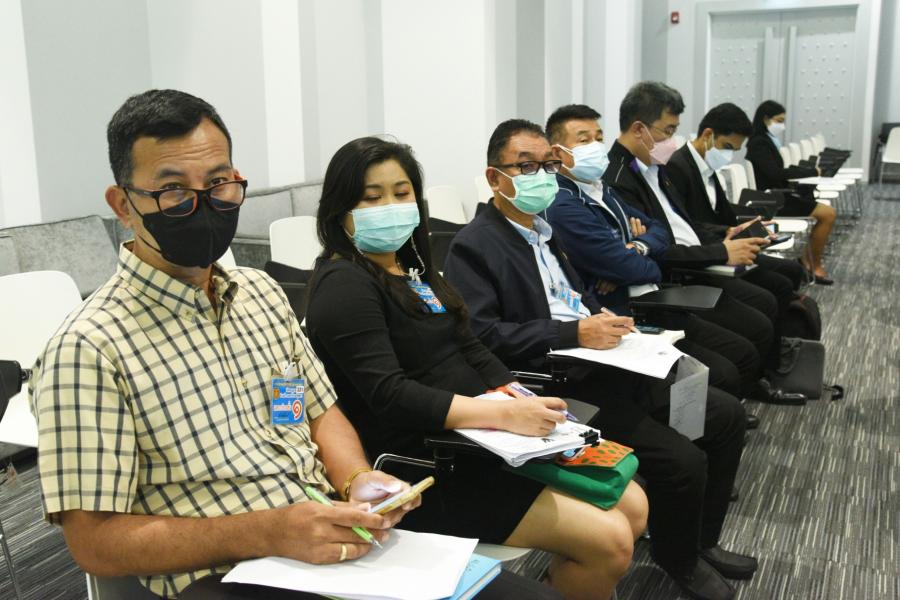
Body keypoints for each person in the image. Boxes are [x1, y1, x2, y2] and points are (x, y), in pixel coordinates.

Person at [27, 90, 548, 600]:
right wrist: (270, 531)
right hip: (229, 573)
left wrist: (356, 477)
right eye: (173, 190)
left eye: (218, 183)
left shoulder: (260, 294)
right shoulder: (88, 349)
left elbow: (316, 410)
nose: (203, 203)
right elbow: (94, 543)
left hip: (333, 532)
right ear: (123, 205)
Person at [304, 136, 647, 600]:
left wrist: (520, 398)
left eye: (402, 193)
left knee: (633, 504)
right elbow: (390, 395)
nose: (391, 207)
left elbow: (470, 345)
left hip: (483, 439)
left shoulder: (411, 267)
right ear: (339, 208)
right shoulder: (344, 284)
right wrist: (503, 415)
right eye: (372, 197)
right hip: (424, 462)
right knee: (610, 541)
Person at [444, 118, 757, 600]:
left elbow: (573, 296)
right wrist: (576, 331)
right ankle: (680, 559)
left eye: (547, 165)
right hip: (560, 379)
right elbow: (483, 335)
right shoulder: (476, 244)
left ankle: (701, 540)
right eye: (525, 167)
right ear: (494, 177)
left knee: (724, 414)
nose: (541, 176)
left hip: (611, 359)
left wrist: (601, 316)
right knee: (683, 460)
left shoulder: (545, 230)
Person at [543, 102, 762, 401]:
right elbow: (630, 267)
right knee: (724, 373)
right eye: (584, 140)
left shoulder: (599, 187)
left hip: (650, 296)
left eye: (598, 137)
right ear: (557, 153)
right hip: (628, 310)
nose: (595, 146)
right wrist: (639, 260)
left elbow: (660, 230)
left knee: (740, 352)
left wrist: (637, 246)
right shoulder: (564, 203)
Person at [603, 83, 803, 397]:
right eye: (668, 131)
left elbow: (677, 225)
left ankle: (760, 381)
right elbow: (657, 247)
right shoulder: (618, 179)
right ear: (639, 129)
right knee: (754, 326)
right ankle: (747, 392)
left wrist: (724, 235)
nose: (673, 141)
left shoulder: (653, 165)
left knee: (767, 302)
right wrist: (720, 251)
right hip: (675, 276)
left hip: (695, 258)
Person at [666, 102, 807, 290]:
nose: (729, 155)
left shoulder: (707, 167)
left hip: (723, 245)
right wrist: (728, 234)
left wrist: (747, 227)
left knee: (792, 270)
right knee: (779, 284)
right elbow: (687, 226)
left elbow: (721, 212)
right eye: (727, 146)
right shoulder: (677, 167)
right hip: (707, 254)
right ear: (707, 135)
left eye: (734, 150)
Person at [745, 100, 837, 284]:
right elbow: (776, 174)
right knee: (828, 214)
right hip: (773, 200)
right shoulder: (759, 144)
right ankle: (813, 265)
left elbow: (779, 173)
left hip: (779, 195)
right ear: (766, 119)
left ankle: (808, 263)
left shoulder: (766, 141)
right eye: (779, 121)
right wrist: (811, 172)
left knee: (828, 213)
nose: (782, 125)